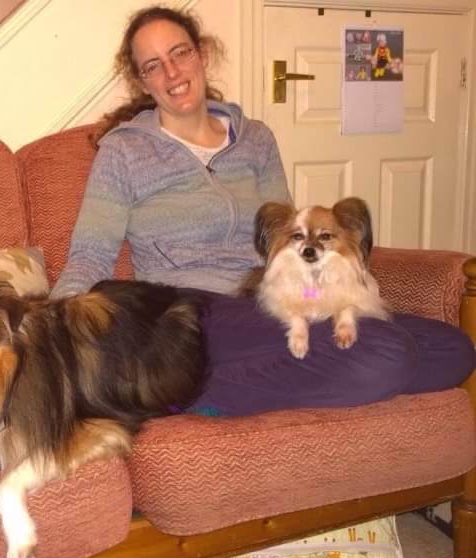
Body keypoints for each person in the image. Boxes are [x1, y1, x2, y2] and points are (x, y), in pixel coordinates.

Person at [51, 5, 474, 417]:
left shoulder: (255, 139)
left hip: (267, 298)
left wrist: (322, 289)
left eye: (180, 53)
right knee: (387, 350)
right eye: (153, 65)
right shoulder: (124, 150)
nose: (172, 73)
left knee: (454, 349)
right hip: (191, 313)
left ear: (202, 54)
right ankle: (188, 388)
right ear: (142, 82)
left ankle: (192, 384)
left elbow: (286, 243)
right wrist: (49, 336)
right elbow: (90, 254)